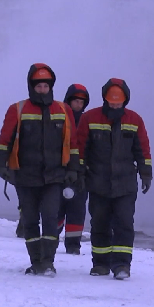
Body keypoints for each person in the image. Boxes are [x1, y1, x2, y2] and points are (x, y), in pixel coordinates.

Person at [0, 63, 80, 276]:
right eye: (38, 86)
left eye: (45, 86)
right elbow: (5, 140)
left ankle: (48, 262)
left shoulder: (63, 110)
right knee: (30, 220)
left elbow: (72, 143)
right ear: (31, 86)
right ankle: (36, 261)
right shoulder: (18, 109)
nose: (42, 90)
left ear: (51, 87)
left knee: (50, 217)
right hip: (25, 176)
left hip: (54, 176)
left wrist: (74, 170)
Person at [77, 78, 152, 280]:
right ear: (105, 100)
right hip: (98, 182)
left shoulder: (134, 120)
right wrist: (78, 173)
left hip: (125, 184)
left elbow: (142, 149)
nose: (115, 106)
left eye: (119, 103)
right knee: (99, 222)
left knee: (124, 223)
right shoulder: (90, 118)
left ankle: (121, 265)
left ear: (125, 101)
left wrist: (146, 173)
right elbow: (80, 148)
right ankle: (100, 264)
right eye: (112, 103)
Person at [57, 84, 90, 254]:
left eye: (81, 102)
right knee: (56, 207)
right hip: (58, 169)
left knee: (77, 209)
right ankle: (51, 239)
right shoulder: (58, 118)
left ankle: (73, 245)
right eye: (75, 101)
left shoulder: (88, 122)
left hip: (81, 172)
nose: (78, 105)